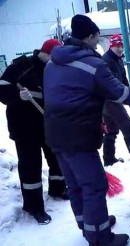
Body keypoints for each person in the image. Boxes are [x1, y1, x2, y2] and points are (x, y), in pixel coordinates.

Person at [43, 14, 130, 246]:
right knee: (94, 186)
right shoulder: (92, 64)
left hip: (55, 134)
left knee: (75, 185)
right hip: (79, 136)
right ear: (91, 36)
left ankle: (89, 227)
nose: (98, 43)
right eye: (97, 38)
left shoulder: (53, 63)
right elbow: (119, 93)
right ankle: (101, 238)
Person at [0, 39, 68, 225]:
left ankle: (58, 188)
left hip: (48, 124)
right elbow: (2, 90)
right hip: (24, 128)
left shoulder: (55, 69)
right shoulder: (21, 66)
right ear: (46, 53)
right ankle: (34, 207)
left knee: (56, 158)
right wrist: (17, 96)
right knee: (31, 166)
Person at [101, 34, 130, 166]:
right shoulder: (107, 61)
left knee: (111, 129)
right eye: (116, 46)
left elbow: (123, 80)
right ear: (111, 46)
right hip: (109, 100)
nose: (119, 49)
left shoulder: (118, 59)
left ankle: (108, 158)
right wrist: (128, 99)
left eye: (121, 46)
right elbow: (113, 85)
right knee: (127, 125)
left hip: (112, 99)